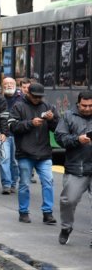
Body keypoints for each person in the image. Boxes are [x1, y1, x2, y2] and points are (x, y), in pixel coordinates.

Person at [8, 82, 59, 224]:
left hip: (44, 152)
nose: (37, 99)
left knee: (48, 181)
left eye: (40, 97)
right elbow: (12, 127)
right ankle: (23, 212)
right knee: (24, 183)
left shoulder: (48, 107)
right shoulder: (18, 106)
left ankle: (48, 212)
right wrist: (30, 123)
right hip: (25, 153)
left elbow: (58, 129)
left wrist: (52, 119)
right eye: (34, 96)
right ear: (28, 94)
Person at [55, 91, 92, 244]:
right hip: (77, 167)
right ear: (78, 104)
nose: (88, 108)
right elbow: (60, 138)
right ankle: (66, 227)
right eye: (84, 105)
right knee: (68, 201)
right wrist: (77, 140)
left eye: (91, 106)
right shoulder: (68, 116)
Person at [0, 77, 20, 194]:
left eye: (11, 83)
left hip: (17, 135)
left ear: (15, 85)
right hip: (3, 135)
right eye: (6, 83)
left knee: (15, 161)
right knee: (4, 159)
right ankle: (6, 185)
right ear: (2, 86)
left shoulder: (21, 99)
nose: (8, 85)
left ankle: (13, 183)